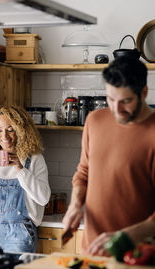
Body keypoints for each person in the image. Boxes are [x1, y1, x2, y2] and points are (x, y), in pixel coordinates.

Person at [63, 57, 155, 256]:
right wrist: (75, 204)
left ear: (144, 93)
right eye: (110, 99)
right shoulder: (94, 121)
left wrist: (125, 237)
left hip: (139, 256)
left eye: (126, 101)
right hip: (92, 250)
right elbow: (84, 173)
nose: (116, 109)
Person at [0, 105, 51, 253]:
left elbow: (43, 198)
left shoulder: (34, 160)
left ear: (21, 130)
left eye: (10, 129)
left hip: (20, 235)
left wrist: (20, 169)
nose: (5, 136)